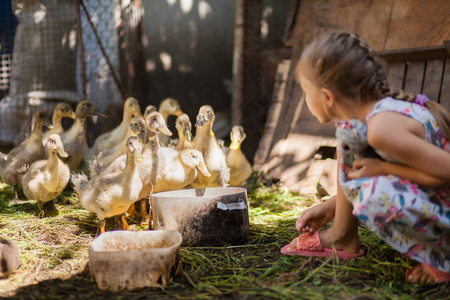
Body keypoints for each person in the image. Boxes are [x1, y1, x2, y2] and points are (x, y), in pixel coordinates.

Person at [280, 31, 450, 284]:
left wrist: (381, 168)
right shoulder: (368, 122)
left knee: (373, 195)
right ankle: (342, 236)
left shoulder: (381, 129)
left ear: (327, 97)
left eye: (306, 91)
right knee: (347, 140)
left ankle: (443, 258)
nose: (305, 99)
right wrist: (333, 205)